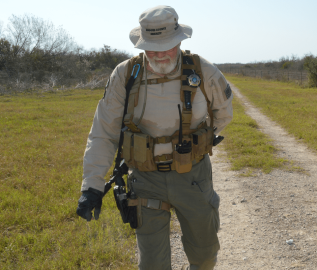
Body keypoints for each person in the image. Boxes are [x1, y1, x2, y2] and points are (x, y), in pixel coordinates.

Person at [75, 6, 233, 270]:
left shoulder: (205, 72)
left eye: (167, 47)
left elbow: (223, 115)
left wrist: (198, 141)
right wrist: (91, 185)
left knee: (204, 255)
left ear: (180, 41)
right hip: (145, 178)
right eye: (152, 48)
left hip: (193, 176)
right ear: (141, 45)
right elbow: (104, 131)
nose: (160, 55)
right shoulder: (125, 75)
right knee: (152, 264)